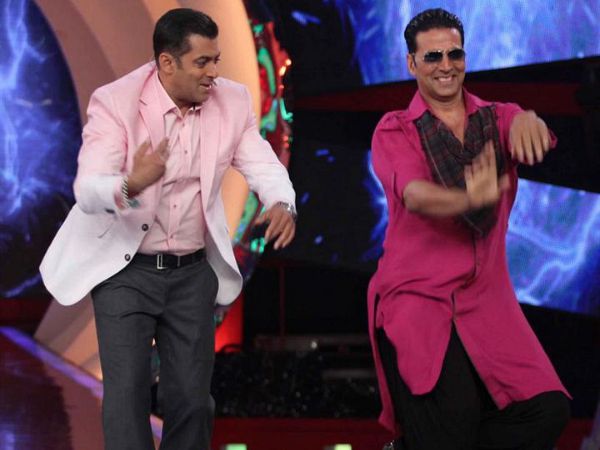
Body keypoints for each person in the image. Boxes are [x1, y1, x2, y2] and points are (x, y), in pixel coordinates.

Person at [40, 8, 296, 450]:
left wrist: (281, 201)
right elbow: (88, 188)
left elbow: (261, 163)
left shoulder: (232, 101)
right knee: (126, 398)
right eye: (202, 62)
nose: (214, 73)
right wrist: (131, 183)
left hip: (192, 272)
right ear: (167, 62)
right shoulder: (116, 102)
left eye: (216, 60)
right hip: (125, 270)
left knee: (192, 402)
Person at [368, 8, 570, 450]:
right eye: (433, 56)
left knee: (548, 409)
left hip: (487, 298)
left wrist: (529, 120)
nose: (446, 65)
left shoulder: (496, 117)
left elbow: (521, 123)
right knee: (456, 419)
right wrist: (468, 199)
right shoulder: (394, 130)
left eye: (454, 54)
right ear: (412, 64)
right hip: (418, 297)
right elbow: (416, 195)